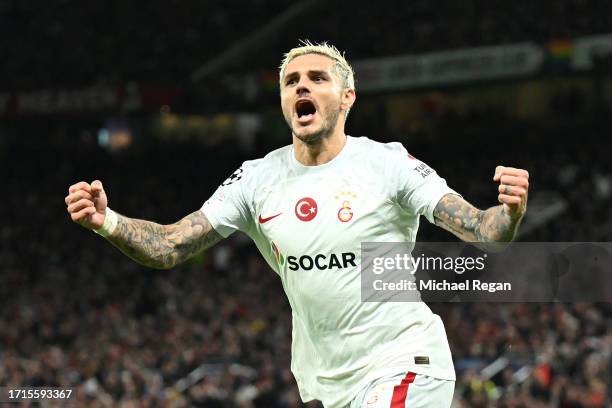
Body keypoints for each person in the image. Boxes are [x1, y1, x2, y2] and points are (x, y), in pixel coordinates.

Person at [65, 41, 529, 408]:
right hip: (331, 382)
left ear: (347, 97)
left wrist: (506, 213)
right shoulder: (256, 179)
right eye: (291, 81)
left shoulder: (388, 164)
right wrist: (108, 221)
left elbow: (481, 231)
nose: (301, 87)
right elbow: (169, 245)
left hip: (406, 362)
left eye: (316, 78)